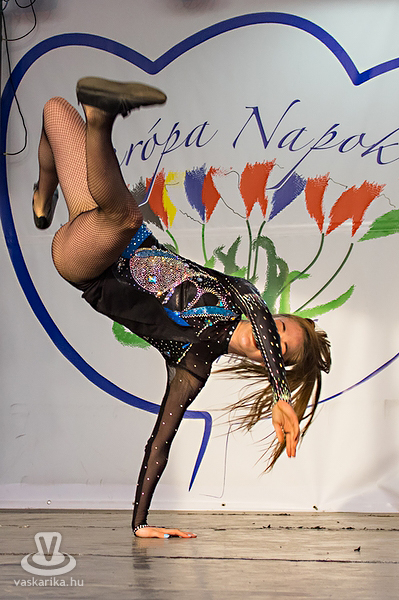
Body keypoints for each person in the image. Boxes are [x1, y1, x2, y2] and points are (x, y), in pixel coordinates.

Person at [32, 78, 331, 539]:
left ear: (263, 361)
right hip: (103, 228)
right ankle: (42, 194)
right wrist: (280, 392)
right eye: (278, 327)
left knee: (123, 215)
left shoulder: (192, 364)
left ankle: (101, 117)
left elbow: (160, 443)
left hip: (86, 266)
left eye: (279, 348)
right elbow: (258, 313)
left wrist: (140, 524)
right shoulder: (240, 293)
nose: (269, 336)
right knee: (55, 111)